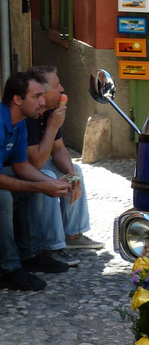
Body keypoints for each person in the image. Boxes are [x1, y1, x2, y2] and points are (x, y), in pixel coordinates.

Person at [1, 71, 72, 291]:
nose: (43, 102)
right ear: (17, 99)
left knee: (40, 184)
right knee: (3, 197)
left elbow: (22, 167)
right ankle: (8, 270)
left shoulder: (19, 122)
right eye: (37, 96)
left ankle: (30, 254)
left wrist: (50, 184)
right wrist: (40, 185)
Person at [26, 65, 102, 257]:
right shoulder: (30, 114)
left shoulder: (51, 111)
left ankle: (72, 235)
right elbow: (35, 163)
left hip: (40, 163)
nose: (62, 89)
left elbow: (58, 149)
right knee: (49, 176)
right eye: (57, 85)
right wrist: (52, 127)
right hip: (23, 169)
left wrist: (72, 175)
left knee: (74, 169)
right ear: (42, 91)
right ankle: (52, 246)